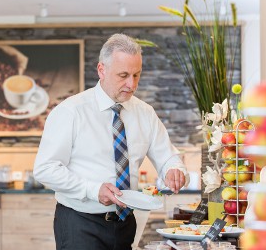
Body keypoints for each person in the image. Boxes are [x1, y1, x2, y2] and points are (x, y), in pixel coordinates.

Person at [33, 33, 189, 250]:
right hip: (80, 223)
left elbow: (168, 157)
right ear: (101, 70)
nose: (131, 84)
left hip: (125, 224)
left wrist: (174, 169)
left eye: (136, 75)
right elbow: (45, 169)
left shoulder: (145, 113)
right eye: (123, 75)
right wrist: (92, 189)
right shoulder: (70, 111)